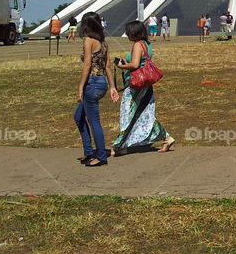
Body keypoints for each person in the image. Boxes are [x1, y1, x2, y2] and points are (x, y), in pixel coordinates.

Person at [112, 20, 175, 155]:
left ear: (134, 32)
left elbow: (135, 65)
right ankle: (166, 138)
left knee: (128, 113)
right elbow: (141, 62)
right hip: (145, 84)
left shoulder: (137, 45)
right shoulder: (147, 44)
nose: (127, 35)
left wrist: (122, 66)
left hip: (136, 85)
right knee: (144, 114)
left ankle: (120, 146)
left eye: (128, 32)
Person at [74, 12, 119, 167]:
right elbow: (107, 66)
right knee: (78, 117)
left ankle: (100, 156)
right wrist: (112, 86)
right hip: (101, 82)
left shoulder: (88, 40)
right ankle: (89, 151)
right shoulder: (103, 42)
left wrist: (80, 87)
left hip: (91, 83)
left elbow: (87, 64)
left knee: (94, 121)